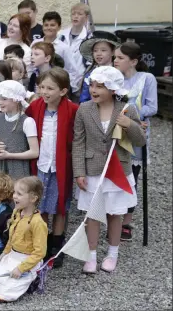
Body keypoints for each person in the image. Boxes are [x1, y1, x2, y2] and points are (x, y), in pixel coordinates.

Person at [73, 66, 146, 273]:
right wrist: (79, 171)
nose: (94, 90)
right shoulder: (84, 109)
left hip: (118, 170)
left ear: (113, 89)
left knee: (115, 214)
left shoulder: (126, 109)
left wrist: (129, 124)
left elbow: (139, 140)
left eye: (101, 87)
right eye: (93, 85)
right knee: (92, 215)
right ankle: (91, 255)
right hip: (92, 170)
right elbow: (78, 142)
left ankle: (112, 254)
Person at [25, 67, 79, 268]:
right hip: (40, 163)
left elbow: (77, 137)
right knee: (42, 205)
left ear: (63, 91)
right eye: (42, 87)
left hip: (60, 165)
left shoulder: (73, 109)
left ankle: (57, 244)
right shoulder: (35, 107)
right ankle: (42, 243)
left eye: (50, 88)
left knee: (59, 206)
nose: (45, 92)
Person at [114, 42, 158, 240]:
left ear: (133, 61)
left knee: (131, 177)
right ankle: (113, 216)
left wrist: (132, 115)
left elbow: (152, 107)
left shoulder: (146, 78)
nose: (115, 61)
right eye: (115, 57)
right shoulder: (114, 78)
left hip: (135, 132)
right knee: (115, 174)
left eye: (120, 58)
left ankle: (126, 221)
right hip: (114, 132)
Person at [0, 176, 47, 302]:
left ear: (33, 198)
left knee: (5, 293)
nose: (14, 196)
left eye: (19, 194)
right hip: (13, 254)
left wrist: (21, 268)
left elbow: (39, 252)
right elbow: (12, 236)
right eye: (14, 192)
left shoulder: (38, 223)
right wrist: (5, 252)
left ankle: (33, 278)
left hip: (27, 259)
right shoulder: (17, 212)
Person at [0, 80, 39, 179]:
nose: (0, 102)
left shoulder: (27, 121)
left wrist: (9, 155)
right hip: (0, 167)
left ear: (16, 99)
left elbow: (34, 152)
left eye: (4, 99)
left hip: (18, 169)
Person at [58, 3, 92, 97]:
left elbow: (89, 64)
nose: (75, 16)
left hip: (79, 83)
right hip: (60, 80)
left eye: (79, 14)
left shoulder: (89, 38)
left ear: (86, 17)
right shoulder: (60, 35)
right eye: (73, 14)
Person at [78, 31, 120, 103]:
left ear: (113, 52)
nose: (99, 54)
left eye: (103, 50)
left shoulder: (119, 73)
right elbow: (84, 99)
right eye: (95, 51)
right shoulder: (89, 74)